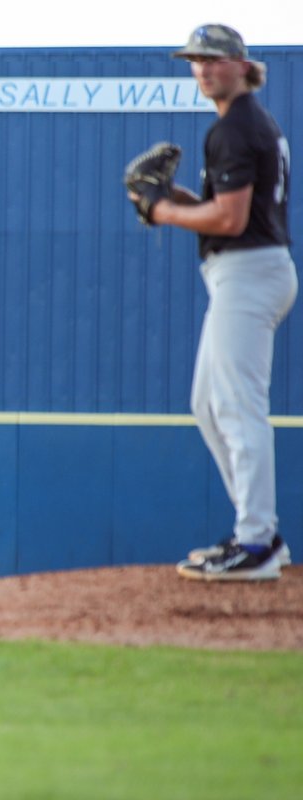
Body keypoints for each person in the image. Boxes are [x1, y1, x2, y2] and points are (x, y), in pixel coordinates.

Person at [130, 24, 295, 581]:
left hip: (249, 272)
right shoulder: (249, 124)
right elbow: (224, 209)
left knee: (237, 407)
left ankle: (256, 542)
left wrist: (161, 211)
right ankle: (258, 530)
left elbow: (229, 219)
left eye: (213, 59)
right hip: (246, 269)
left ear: (242, 66)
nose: (201, 69)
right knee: (208, 403)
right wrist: (177, 198)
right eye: (195, 60)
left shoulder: (235, 127)